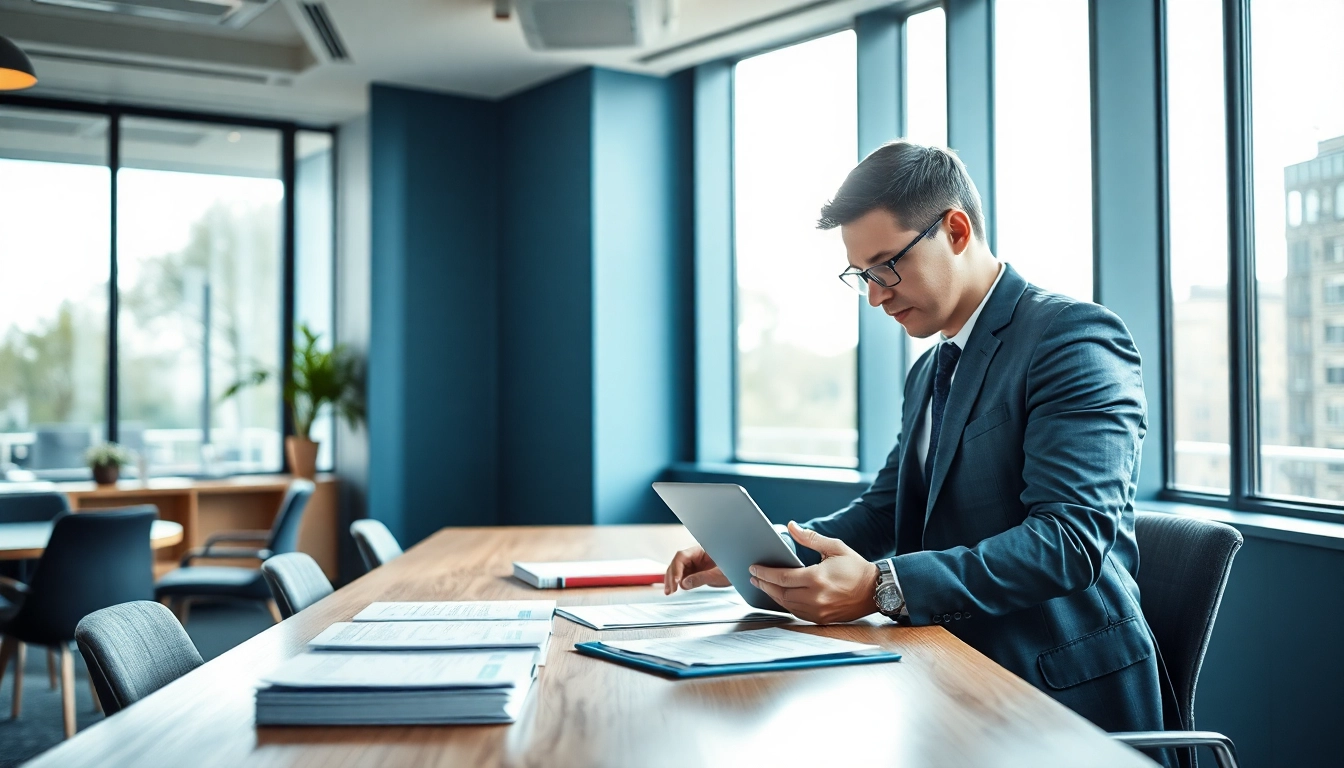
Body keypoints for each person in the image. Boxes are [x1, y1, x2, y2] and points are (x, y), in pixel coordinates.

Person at [664, 139, 1174, 748]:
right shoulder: (930, 369)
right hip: (944, 672)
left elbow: (1068, 540)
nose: (876, 295)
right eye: (862, 277)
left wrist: (883, 586)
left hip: (1055, 696)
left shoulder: (1072, 338)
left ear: (955, 229)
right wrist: (764, 551)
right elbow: (886, 509)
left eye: (886, 267)